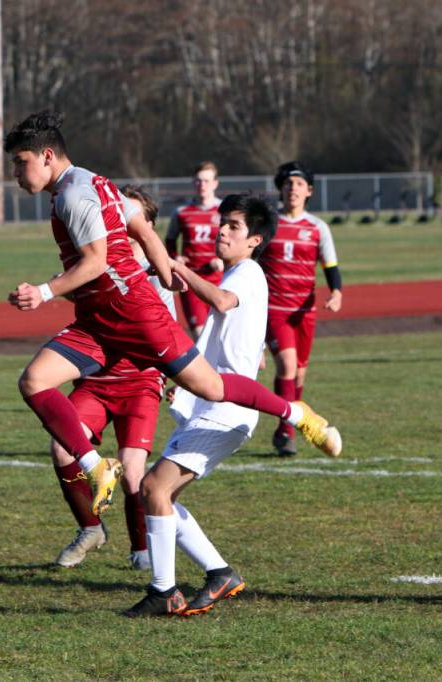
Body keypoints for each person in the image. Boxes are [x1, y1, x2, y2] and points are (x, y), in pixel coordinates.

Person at [5, 111, 341, 523]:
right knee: (34, 381)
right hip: (99, 319)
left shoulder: (76, 195)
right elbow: (144, 232)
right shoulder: (94, 182)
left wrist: (42, 292)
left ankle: (297, 414)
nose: (16, 174)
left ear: (47, 155)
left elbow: (96, 262)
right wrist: (167, 273)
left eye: (20, 163)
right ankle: (96, 466)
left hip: (133, 313)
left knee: (212, 387)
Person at [123, 193, 275, 617]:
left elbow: (223, 302)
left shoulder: (247, 272)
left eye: (234, 227)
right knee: (160, 497)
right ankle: (219, 573)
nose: (222, 231)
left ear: (255, 240)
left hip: (227, 409)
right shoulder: (238, 273)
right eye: (222, 223)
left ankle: (164, 591)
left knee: (153, 488)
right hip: (215, 405)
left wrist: (180, 268)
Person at [50, 186, 175, 571]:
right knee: (61, 449)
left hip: (139, 383)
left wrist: (178, 380)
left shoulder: (156, 278)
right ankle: (91, 528)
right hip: (98, 380)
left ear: (148, 227)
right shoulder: (98, 258)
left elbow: (163, 336)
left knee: (133, 472)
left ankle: (140, 549)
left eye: (132, 217)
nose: (121, 222)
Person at [260, 161, 343, 456]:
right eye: (287, 184)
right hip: (275, 308)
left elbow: (330, 267)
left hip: (304, 311)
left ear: (309, 191)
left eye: (298, 184)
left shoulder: (318, 227)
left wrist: (336, 292)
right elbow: (253, 262)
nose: (292, 189)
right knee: (287, 366)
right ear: (280, 190)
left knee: (299, 375)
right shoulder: (269, 224)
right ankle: (286, 431)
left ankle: (288, 425)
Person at [166, 161, 223, 339]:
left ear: (215, 183)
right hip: (191, 279)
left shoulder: (225, 211)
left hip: (218, 280)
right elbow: (170, 240)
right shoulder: (182, 212)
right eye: (198, 181)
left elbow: (236, 241)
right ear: (193, 182)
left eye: (206, 181)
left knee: (220, 333)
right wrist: (176, 258)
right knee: (200, 334)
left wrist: (222, 260)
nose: (202, 185)